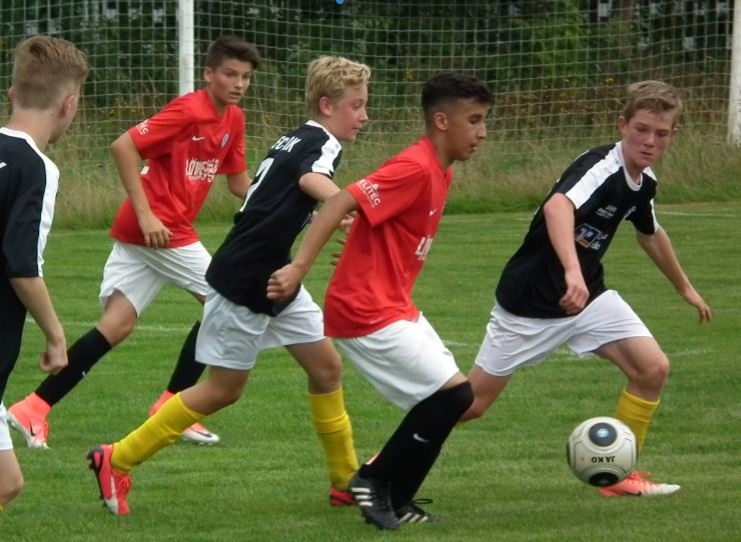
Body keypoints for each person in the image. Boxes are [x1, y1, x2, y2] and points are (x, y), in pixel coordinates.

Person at [85, 55, 370, 516]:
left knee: (326, 369)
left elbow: (273, 195)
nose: (364, 116)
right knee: (224, 389)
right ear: (326, 105)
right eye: (356, 106)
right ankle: (115, 458)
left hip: (273, 274)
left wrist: (324, 214)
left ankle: (344, 480)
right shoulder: (322, 143)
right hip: (248, 278)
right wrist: (347, 205)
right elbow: (310, 178)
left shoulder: (295, 137)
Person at [8, 35, 261, 449]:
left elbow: (238, 184)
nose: (238, 84)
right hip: (160, 229)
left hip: (157, 232)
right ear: (208, 74)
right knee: (226, 300)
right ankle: (175, 405)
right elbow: (123, 145)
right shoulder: (189, 110)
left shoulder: (233, 120)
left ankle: (32, 408)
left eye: (245, 77)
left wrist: (289, 197)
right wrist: (146, 215)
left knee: (117, 325)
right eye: (230, 74)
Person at [461, 80, 712, 497]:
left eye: (661, 133)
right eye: (641, 129)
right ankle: (386, 464)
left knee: (652, 369)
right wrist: (572, 271)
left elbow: (650, 232)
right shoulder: (601, 167)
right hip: (531, 302)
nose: (649, 141)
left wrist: (685, 288)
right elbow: (558, 206)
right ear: (622, 125)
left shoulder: (644, 182)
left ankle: (618, 475)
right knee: (472, 405)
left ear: (673, 135)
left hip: (588, 299)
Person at [267, 72, 492, 530]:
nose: (482, 132)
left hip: (391, 302)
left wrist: (358, 251)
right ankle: (373, 480)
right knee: (455, 396)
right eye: (474, 120)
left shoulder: (440, 171)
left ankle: (397, 497)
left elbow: (377, 222)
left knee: (453, 401)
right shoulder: (415, 167)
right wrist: (299, 268)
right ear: (442, 121)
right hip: (365, 309)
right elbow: (340, 202)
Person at [0, 35, 88, 512]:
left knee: (7, 482)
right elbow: (22, 266)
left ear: (12, 93)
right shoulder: (36, 169)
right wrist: (56, 337)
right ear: (69, 104)